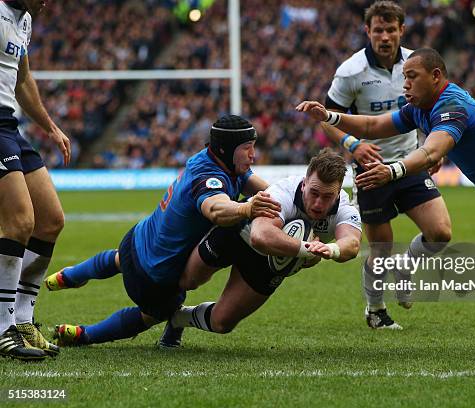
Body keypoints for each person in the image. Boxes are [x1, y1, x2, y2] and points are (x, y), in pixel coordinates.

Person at [296, 48, 475, 344]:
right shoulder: (417, 109)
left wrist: (393, 170)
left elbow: (432, 151)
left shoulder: (451, 104)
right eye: (403, 78)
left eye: (412, 77)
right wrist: (330, 116)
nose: (405, 84)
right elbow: (374, 125)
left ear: (436, 76)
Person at [45, 115, 281, 346]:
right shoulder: (208, 178)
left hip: (136, 239)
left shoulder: (214, 161)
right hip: (154, 277)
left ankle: (70, 275)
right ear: (225, 150)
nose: (253, 154)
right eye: (247, 148)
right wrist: (247, 208)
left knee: (119, 259)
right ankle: (85, 335)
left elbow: (273, 193)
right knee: (156, 313)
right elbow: (215, 209)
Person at [321, 1, 451, 330]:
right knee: (381, 247)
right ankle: (376, 310)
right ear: (368, 31)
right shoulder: (350, 72)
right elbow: (327, 119)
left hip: (409, 162)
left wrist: (436, 147)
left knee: (440, 232)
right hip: (370, 170)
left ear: (401, 31)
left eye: (391, 30)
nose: (385, 36)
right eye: (378, 30)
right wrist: (352, 144)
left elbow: (435, 107)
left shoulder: (415, 64)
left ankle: (406, 266)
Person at [154, 148, 362, 347]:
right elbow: (260, 236)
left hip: (268, 263)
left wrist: (330, 249)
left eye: (327, 197)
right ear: (304, 183)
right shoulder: (283, 192)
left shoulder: (344, 207)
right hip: (237, 234)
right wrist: (307, 249)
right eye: (314, 193)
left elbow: (351, 244)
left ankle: (178, 319)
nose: (318, 203)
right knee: (187, 280)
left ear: (337, 193)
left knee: (222, 323)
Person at [0, 0, 71, 360]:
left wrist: (51, 127)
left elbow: (23, 79)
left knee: (50, 220)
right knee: (19, 222)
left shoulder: (23, 19)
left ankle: (23, 319)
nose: (48, 2)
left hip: (9, 126)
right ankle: (1, 328)